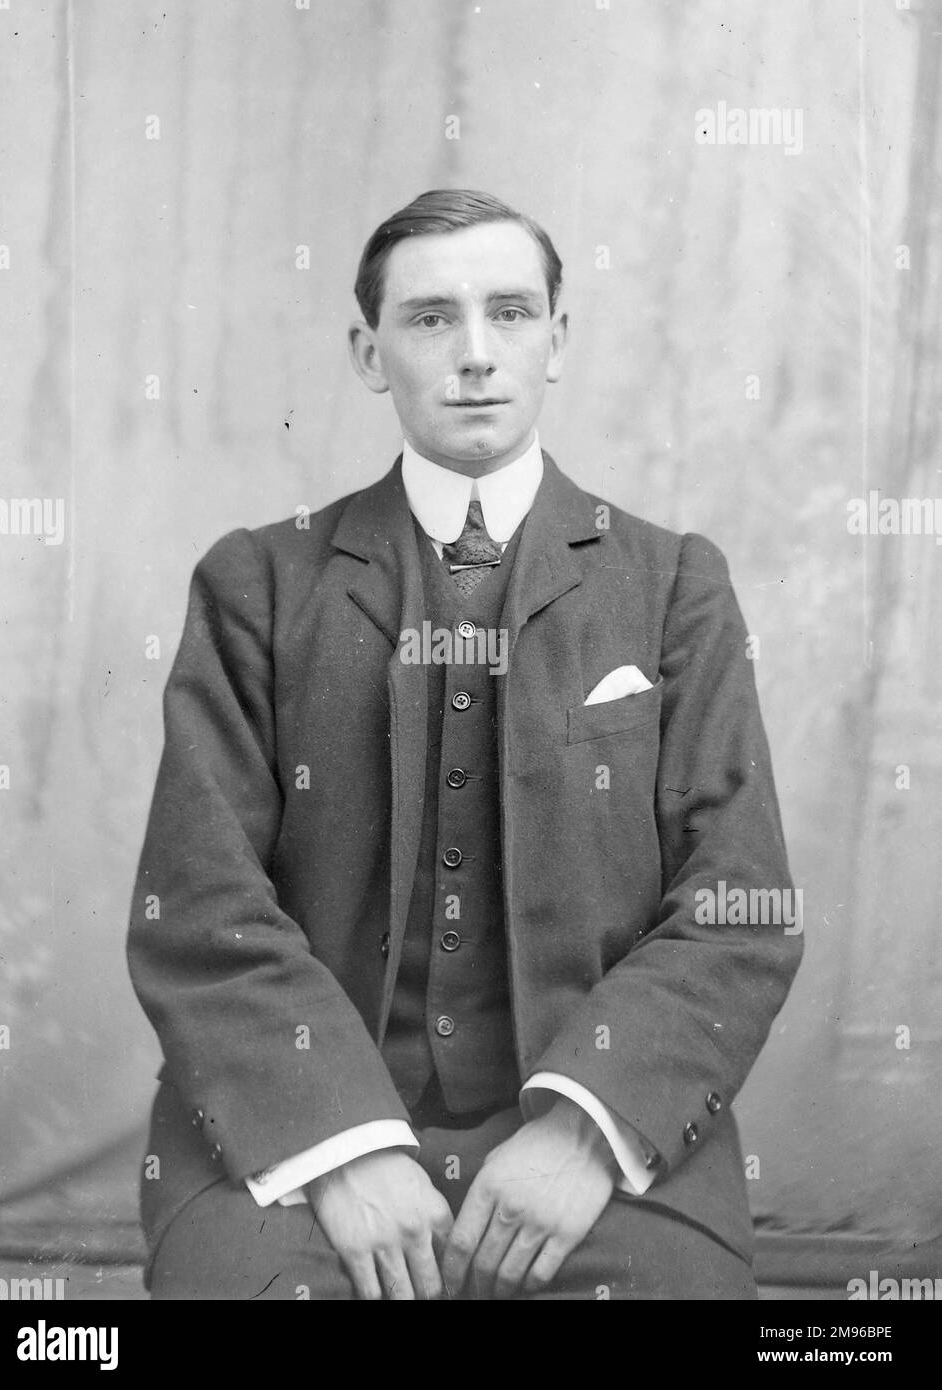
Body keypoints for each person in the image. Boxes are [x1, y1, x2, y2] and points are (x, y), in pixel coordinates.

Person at [127, 188, 802, 1300]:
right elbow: (197, 902)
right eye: (432, 319)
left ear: (560, 340)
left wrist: (586, 1131)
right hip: (308, 1137)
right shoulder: (258, 583)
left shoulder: (673, 583)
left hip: (588, 1137)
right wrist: (344, 1146)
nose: (477, 355)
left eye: (512, 313)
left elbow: (743, 901)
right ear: (368, 351)